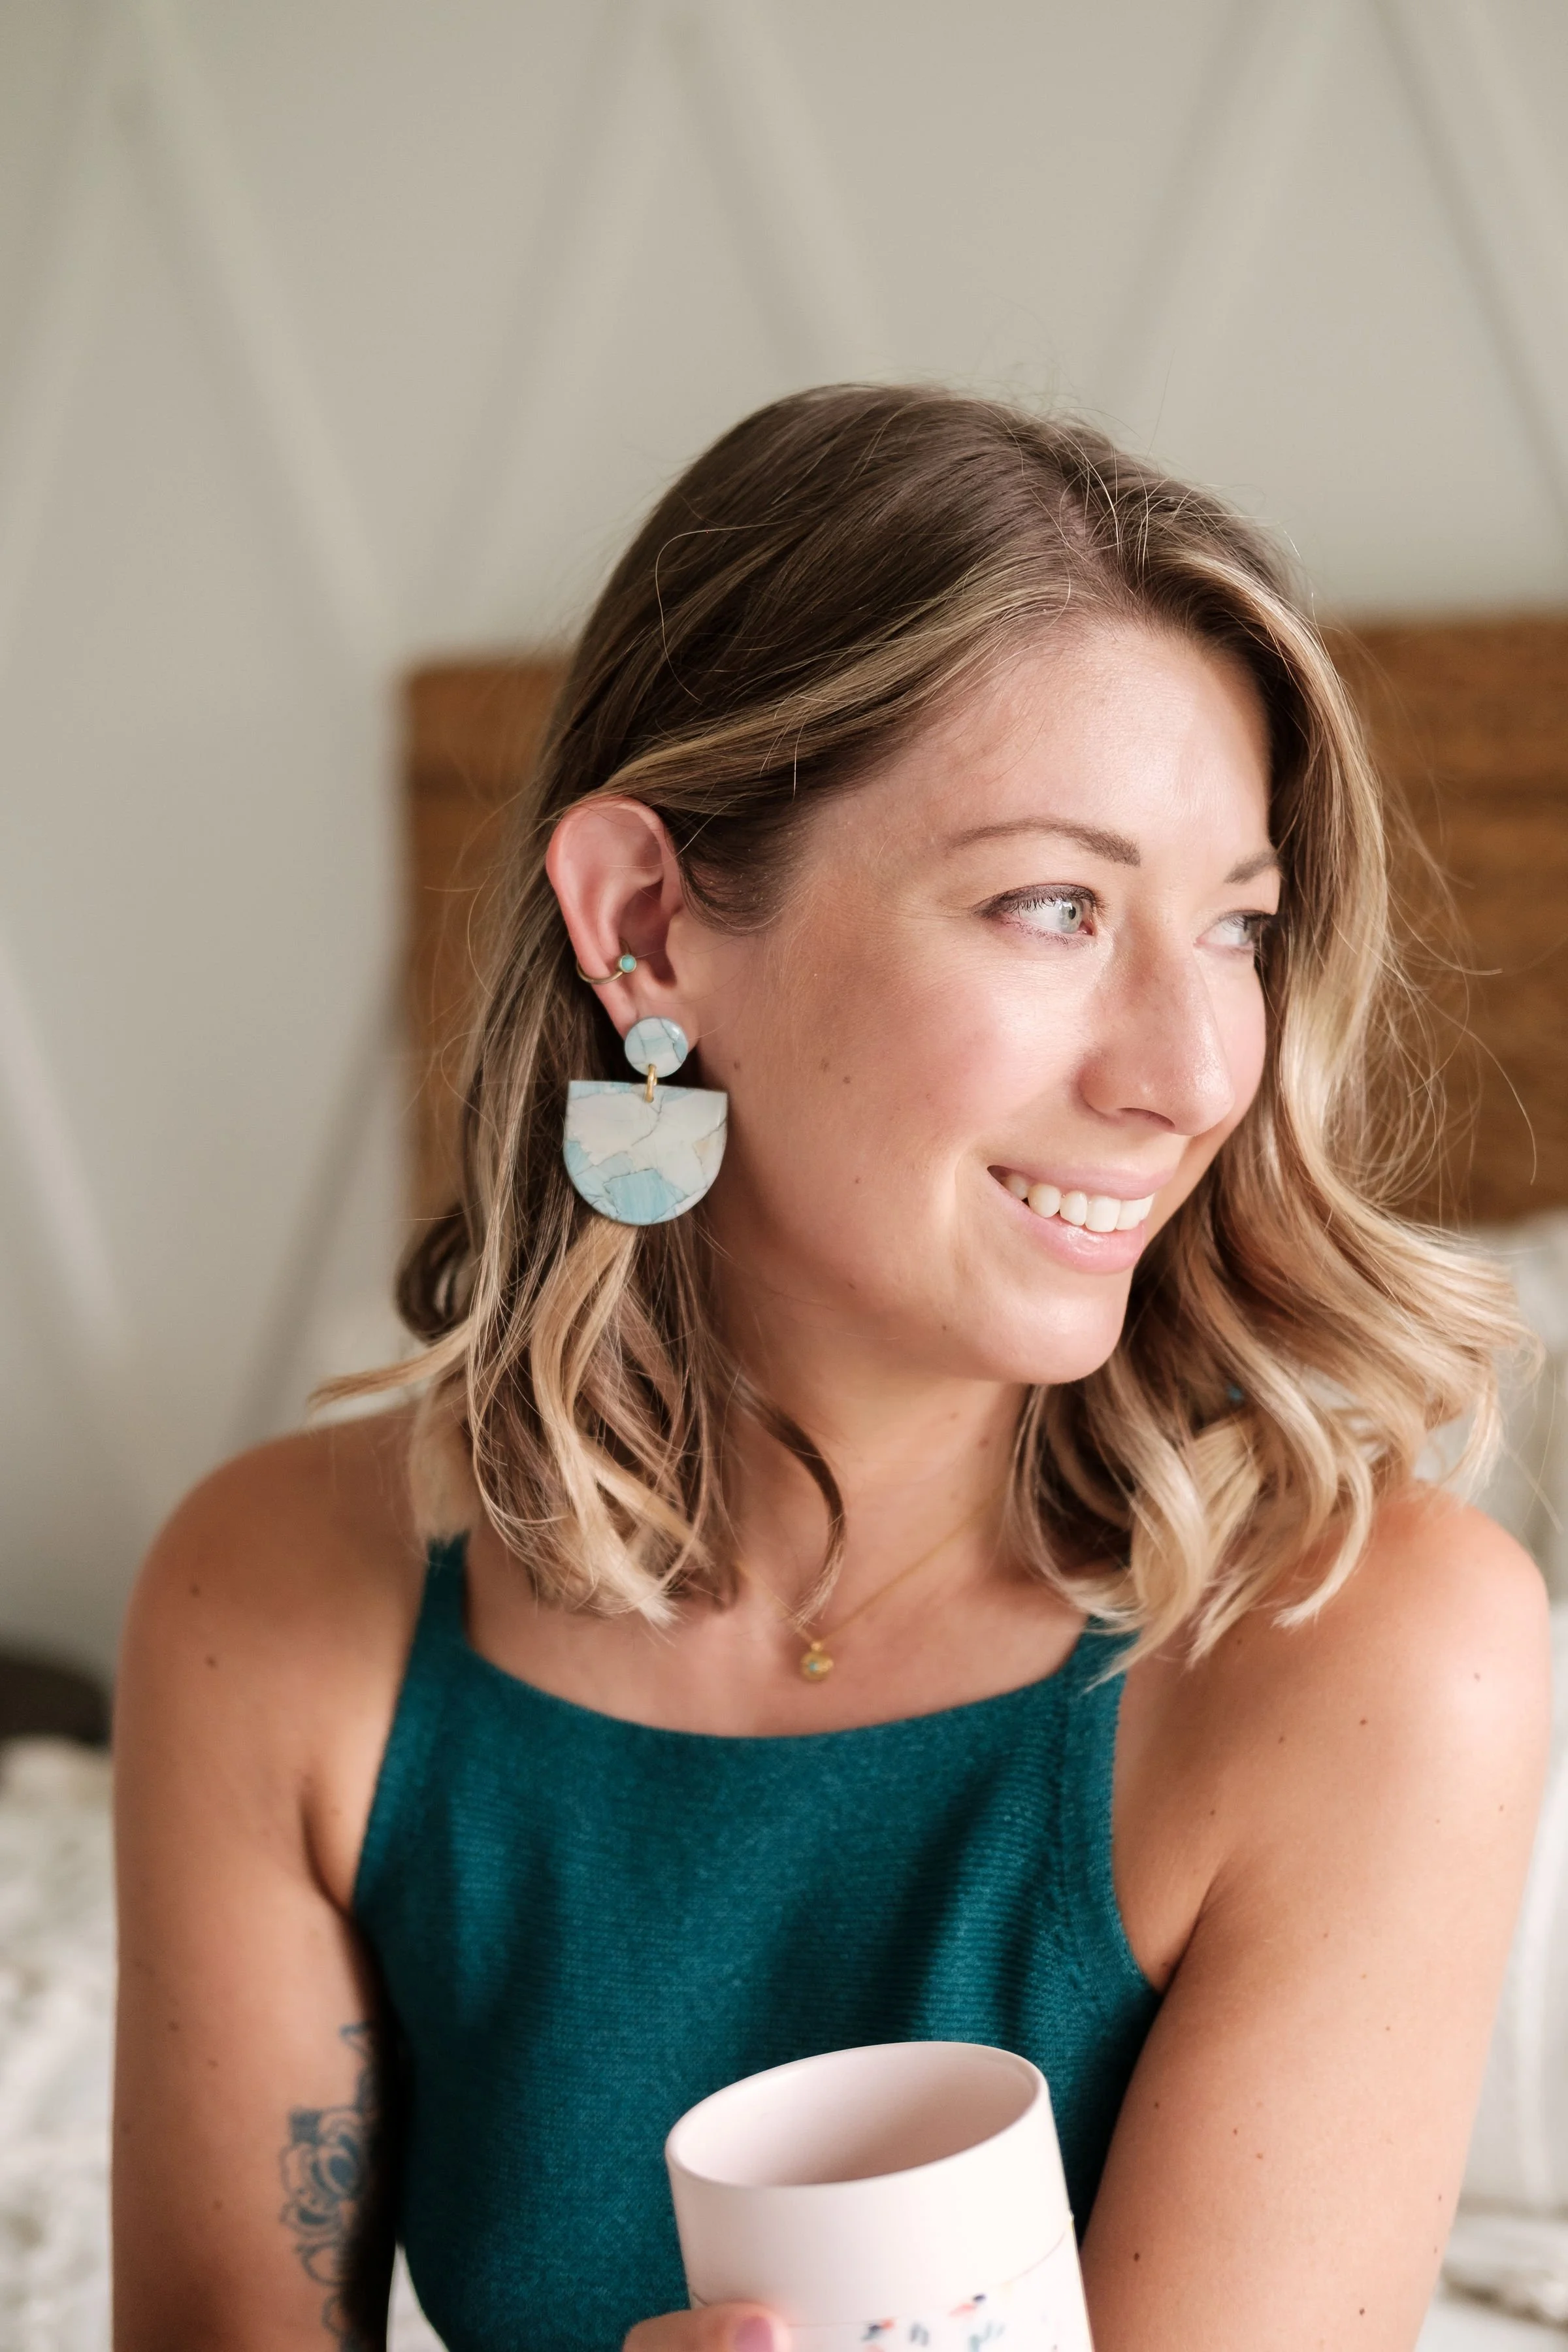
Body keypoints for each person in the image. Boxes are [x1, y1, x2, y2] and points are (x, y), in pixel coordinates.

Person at [112, 385, 1549, 2352]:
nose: (1197, 1073)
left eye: (1239, 928)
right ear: (646, 928)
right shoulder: (278, 1609)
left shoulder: (1362, 1652)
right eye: (1055, 906)